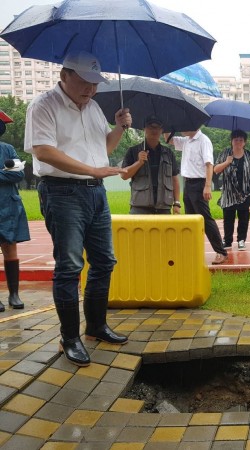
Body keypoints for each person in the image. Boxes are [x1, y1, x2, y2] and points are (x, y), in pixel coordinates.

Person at [24, 51, 131, 367]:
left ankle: (96, 326)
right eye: (84, 82)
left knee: (104, 260)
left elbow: (103, 149)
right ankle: (70, 337)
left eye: (95, 83)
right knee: (69, 266)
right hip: (63, 192)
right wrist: (92, 170)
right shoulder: (44, 106)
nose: (91, 89)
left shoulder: (95, 108)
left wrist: (120, 128)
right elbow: (44, 151)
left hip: (95, 193)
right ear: (64, 75)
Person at [168, 127, 228, 265]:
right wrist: (169, 123)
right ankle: (192, 251)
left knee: (205, 219)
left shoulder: (203, 140)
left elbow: (209, 164)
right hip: (188, 183)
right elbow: (168, 139)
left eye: (184, 125)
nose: (182, 128)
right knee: (190, 219)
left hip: (199, 184)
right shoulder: (186, 141)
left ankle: (221, 252)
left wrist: (207, 186)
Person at [121, 116, 180, 214]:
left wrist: (177, 203)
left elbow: (174, 179)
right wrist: (138, 162)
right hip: (139, 208)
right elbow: (124, 175)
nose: (154, 130)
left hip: (163, 208)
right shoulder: (133, 151)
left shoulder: (169, 153)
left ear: (162, 130)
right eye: (150, 126)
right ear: (144, 128)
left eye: (157, 127)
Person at [0, 113, 29, 312]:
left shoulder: (8, 149)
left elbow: (18, 174)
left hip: (8, 204)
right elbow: (9, 174)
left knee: (10, 247)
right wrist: (4, 172)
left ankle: (14, 294)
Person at [214, 130, 250, 251]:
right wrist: (227, 162)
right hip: (229, 193)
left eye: (241, 140)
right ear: (231, 141)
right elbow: (216, 169)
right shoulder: (225, 153)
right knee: (228, 218)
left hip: (245, 193)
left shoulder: (249, 156)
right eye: (236, 139)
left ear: (245, 142)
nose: (238, 142)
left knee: (244, 218)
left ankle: (241, 240)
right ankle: (227, 240)